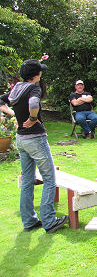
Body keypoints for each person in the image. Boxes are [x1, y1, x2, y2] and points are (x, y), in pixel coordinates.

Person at [0, 60, 68, 233]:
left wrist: (13, 114)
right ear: (36, 74)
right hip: (36, 138)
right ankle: (49, 221)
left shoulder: (16, 88)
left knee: (28, 181)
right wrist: (31, 119)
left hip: (21, 139)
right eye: (40, 72)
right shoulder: (33, 88)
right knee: (49, 178)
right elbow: (33, 105)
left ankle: (29, 221)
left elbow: (1, 101)